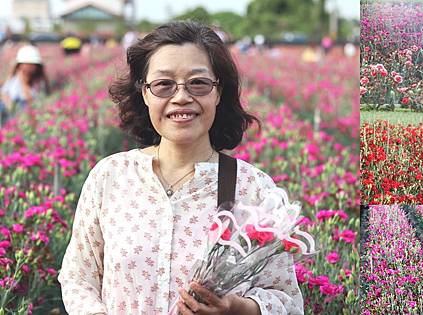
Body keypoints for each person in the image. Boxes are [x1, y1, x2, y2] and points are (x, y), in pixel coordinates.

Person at [57, 21, 303, 315]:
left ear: (218, 92)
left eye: (198, 83)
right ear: (145, 93)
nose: (181, 96)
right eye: (164, 84)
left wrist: (236, 309)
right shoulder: (111, 177)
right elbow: (78, 276)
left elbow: (287, 299)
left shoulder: (253, 188)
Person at [0, 44, 49, 123]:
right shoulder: (14, 80)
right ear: (20, 65)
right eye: (26, 64)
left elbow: (37, 100)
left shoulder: (38, 82)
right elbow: (6, 96)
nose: (29, 67)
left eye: (32, 65)